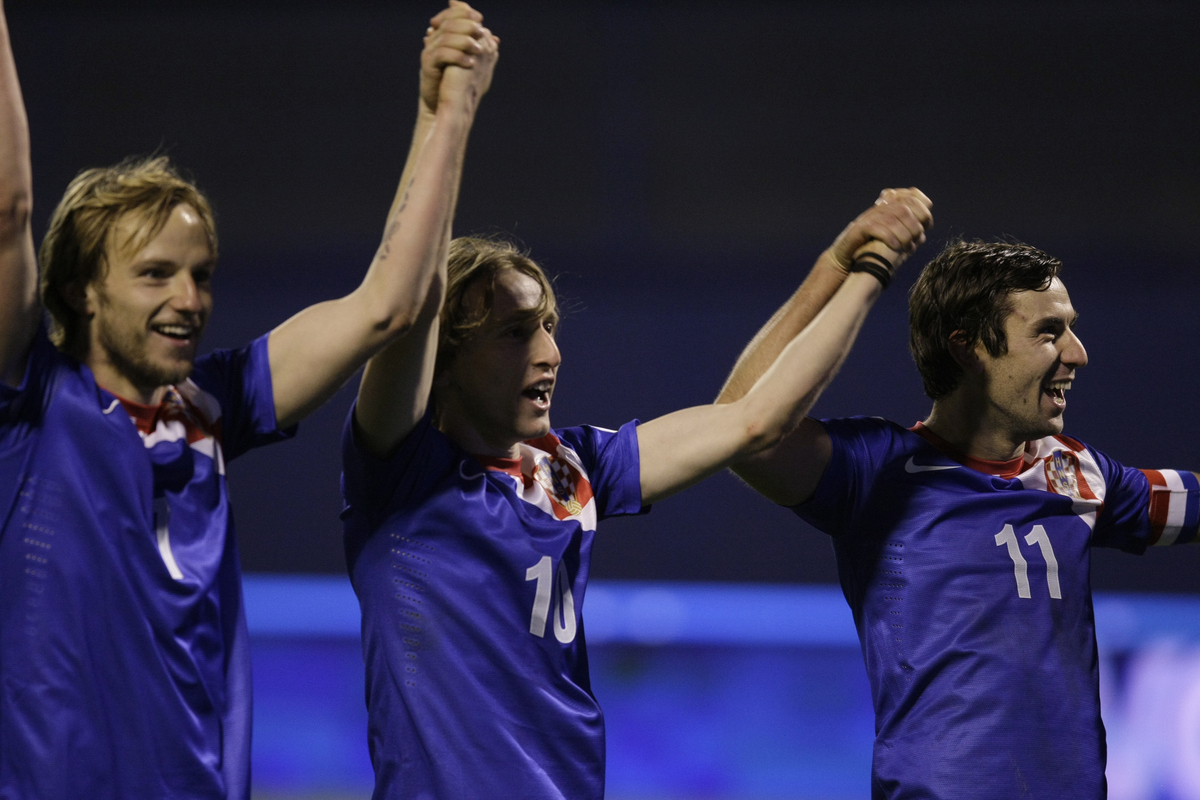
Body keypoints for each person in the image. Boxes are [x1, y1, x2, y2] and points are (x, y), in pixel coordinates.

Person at [0, 3, 497, 797]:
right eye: (156, 273)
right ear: (79, 292)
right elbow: (8, 209)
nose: (190, 298)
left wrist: (445, 110)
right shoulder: (29, 405)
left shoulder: (214, 403)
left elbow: (389, 306)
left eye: (201, 274)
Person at [339, 186, 933, 797]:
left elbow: (753, 421)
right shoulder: (401, 478)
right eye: (516, 333)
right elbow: (403, 298)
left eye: (548, 326)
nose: (550, 353)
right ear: (446, 353)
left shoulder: (574, 466)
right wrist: (450, 115)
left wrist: (851, 267)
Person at [717, 236, 1200, 798]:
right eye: (1048, 332)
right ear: (968, 347)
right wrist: (834, 268)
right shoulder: (876, 471)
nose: (1077, 353)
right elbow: (738, 429)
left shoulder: (1082, 473)